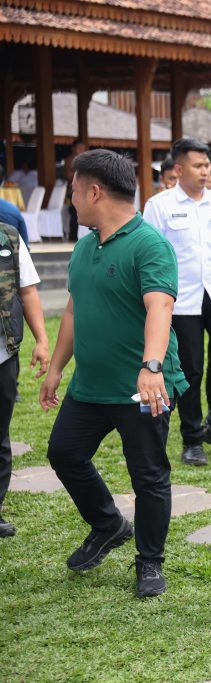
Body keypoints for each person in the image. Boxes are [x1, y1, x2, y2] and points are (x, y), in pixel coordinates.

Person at [39, 149, 189, 597]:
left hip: (142, 386)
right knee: (65, 453)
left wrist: (151, 367)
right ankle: (108, 524)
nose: (71, 201)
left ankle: (150, 561)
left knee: (148, 475)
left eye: (73, 191)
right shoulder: (85, 246)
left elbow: (160, 307)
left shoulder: (149, 244)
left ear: (94, 191)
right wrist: (56, 368)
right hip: (91, 384)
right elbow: (73, 309)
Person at [143, 138, 211, 466]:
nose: (205, 171)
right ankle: (192, 439)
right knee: (190, 371)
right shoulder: (159, 205)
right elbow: (149, 253)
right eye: (198, 165)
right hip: (181, 299)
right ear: (178, 169)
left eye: (207, 165)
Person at [0, 216, 49, 537]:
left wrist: (42, 340)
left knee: (0, 435)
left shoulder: (8, 237)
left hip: (3, 353)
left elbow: (27, 292)